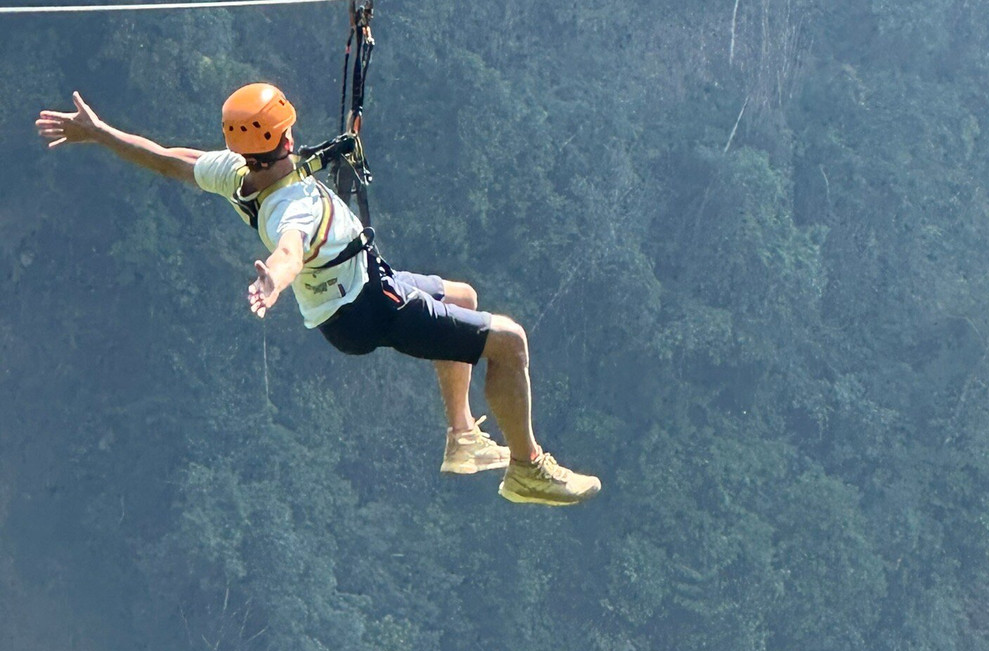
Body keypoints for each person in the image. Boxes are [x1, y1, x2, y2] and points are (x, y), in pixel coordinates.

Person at [36, 85, 601, 505]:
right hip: (368, 309)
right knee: (509, 341)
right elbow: (290, 247)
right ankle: (527, 468)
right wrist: (273, 281)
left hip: (361, 288)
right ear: (284, 137)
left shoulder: (235, 174)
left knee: (463, 297)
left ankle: (462, 436)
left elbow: (168, 159)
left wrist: (99, 132)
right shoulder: (292, 207)